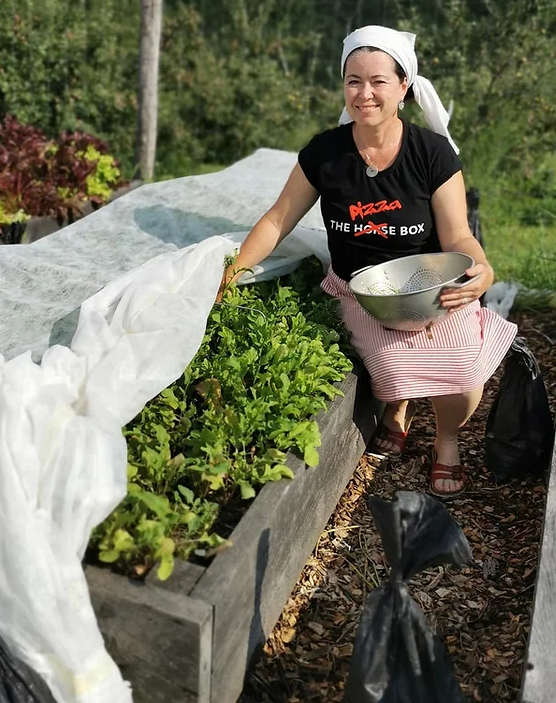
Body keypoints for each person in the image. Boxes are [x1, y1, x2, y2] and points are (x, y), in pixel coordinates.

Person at [218, 25, 518, 500]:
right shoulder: (326, 153)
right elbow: (278, 220)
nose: (365, 93)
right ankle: (397, 408)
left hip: (432, 280)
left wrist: (483, 269)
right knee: (394, 367)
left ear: (404, 87)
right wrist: (232, 272)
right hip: (361, 287)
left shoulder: (432, 154)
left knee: (463, 374)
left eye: (379, 81)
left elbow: (460, 234)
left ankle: (446, 436)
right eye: (353, 80)